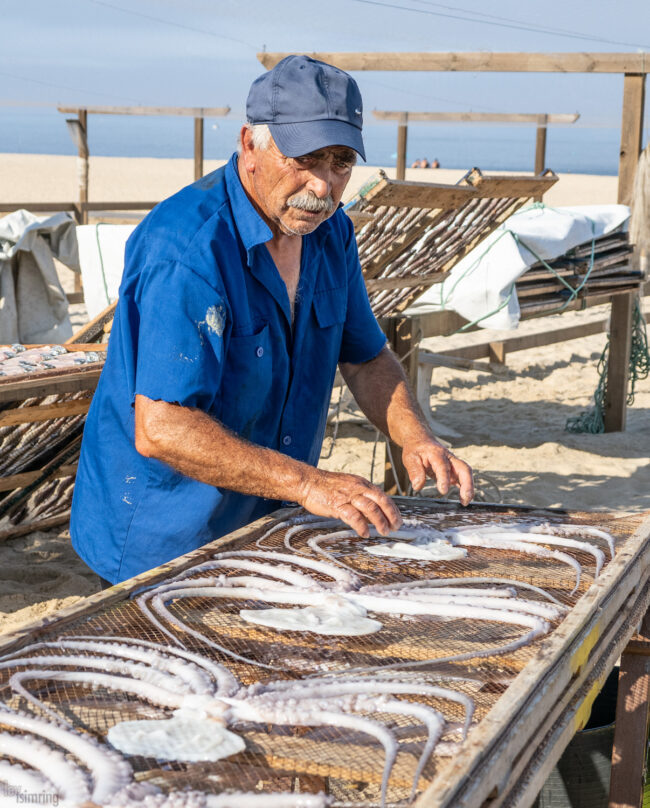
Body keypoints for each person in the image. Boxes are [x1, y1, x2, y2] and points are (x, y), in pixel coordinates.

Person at [70, 55, 474, 585]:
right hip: (162, 537)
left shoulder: (332, 234)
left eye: (340, 162)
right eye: (304, 158)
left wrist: (415, 436)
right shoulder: (188, 251)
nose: (324, 186)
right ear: (249, 144)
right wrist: (309, 485)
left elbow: (365, 354)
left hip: (269, 519)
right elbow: (162, 428)